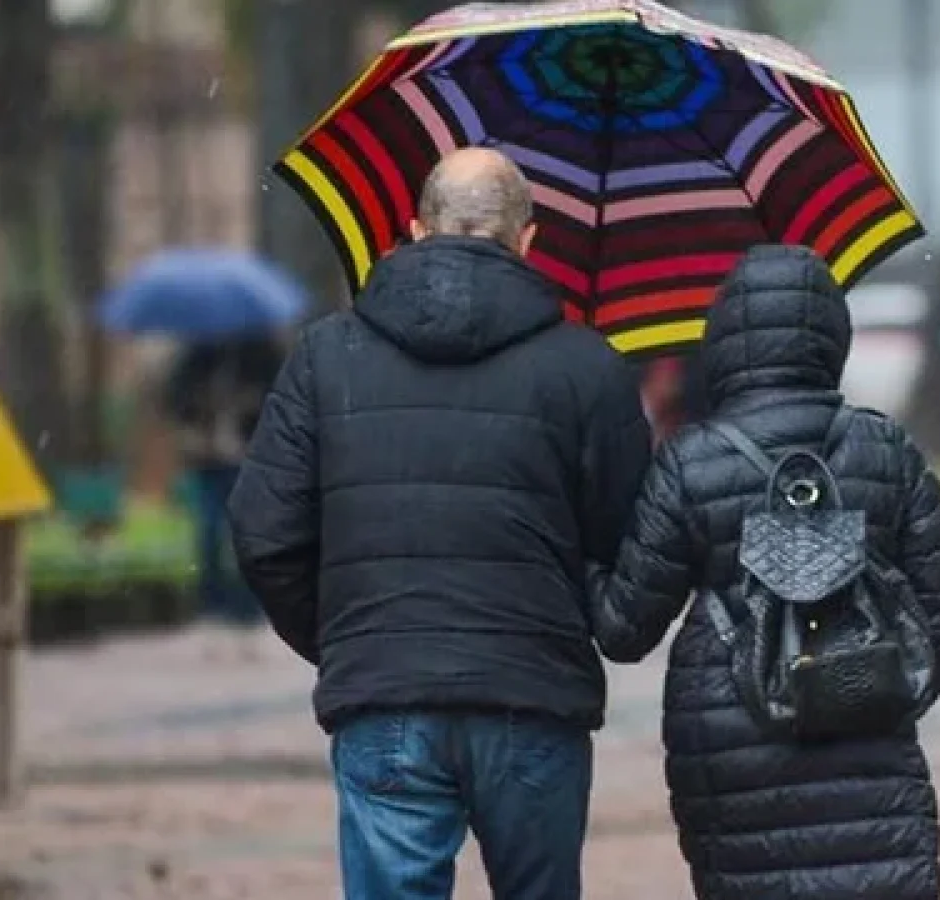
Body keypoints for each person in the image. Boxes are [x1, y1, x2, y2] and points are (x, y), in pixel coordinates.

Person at [227, 147, 652, 900]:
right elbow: (626, 539)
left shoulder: (326, 357)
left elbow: (265, 531)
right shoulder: (588, 367)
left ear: (415, 230)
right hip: (534, 696)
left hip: (385, 697)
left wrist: (348, 637)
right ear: (529, 241)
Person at [587, 245, 940, 900]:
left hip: (733, 751)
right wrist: (863, 689)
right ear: (832, 335)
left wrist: (586, 554)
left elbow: (625, 628)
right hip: (870, 746)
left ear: (726, 341)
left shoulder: (690, 463)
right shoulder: (886, 451)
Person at [163, 334, 283, 659]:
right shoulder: (198, 354)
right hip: (209, 460)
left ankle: (249, 617)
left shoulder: (262, 352)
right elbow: (173, 398)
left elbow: (283, 399)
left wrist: (250, 401)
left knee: (249, 541)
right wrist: (199, 405)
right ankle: (214, 613)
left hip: (250, 459)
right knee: (209, 534)